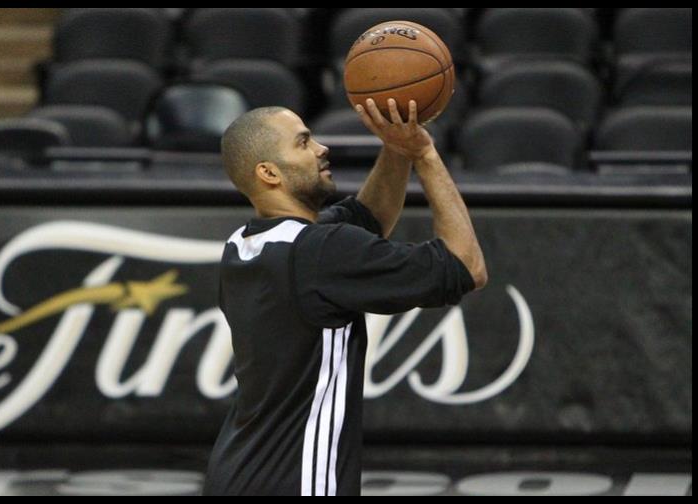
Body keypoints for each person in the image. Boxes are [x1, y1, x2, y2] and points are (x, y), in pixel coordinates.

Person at [204, 98, 487, 496]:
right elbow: (467, 266)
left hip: (236, 472)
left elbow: (368, 218)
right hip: (294, 483)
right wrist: (423, 153)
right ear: (269, 172)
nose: (322, 148)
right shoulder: (320, 251)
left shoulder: (244, 243)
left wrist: (396, 147)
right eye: (303, 142)